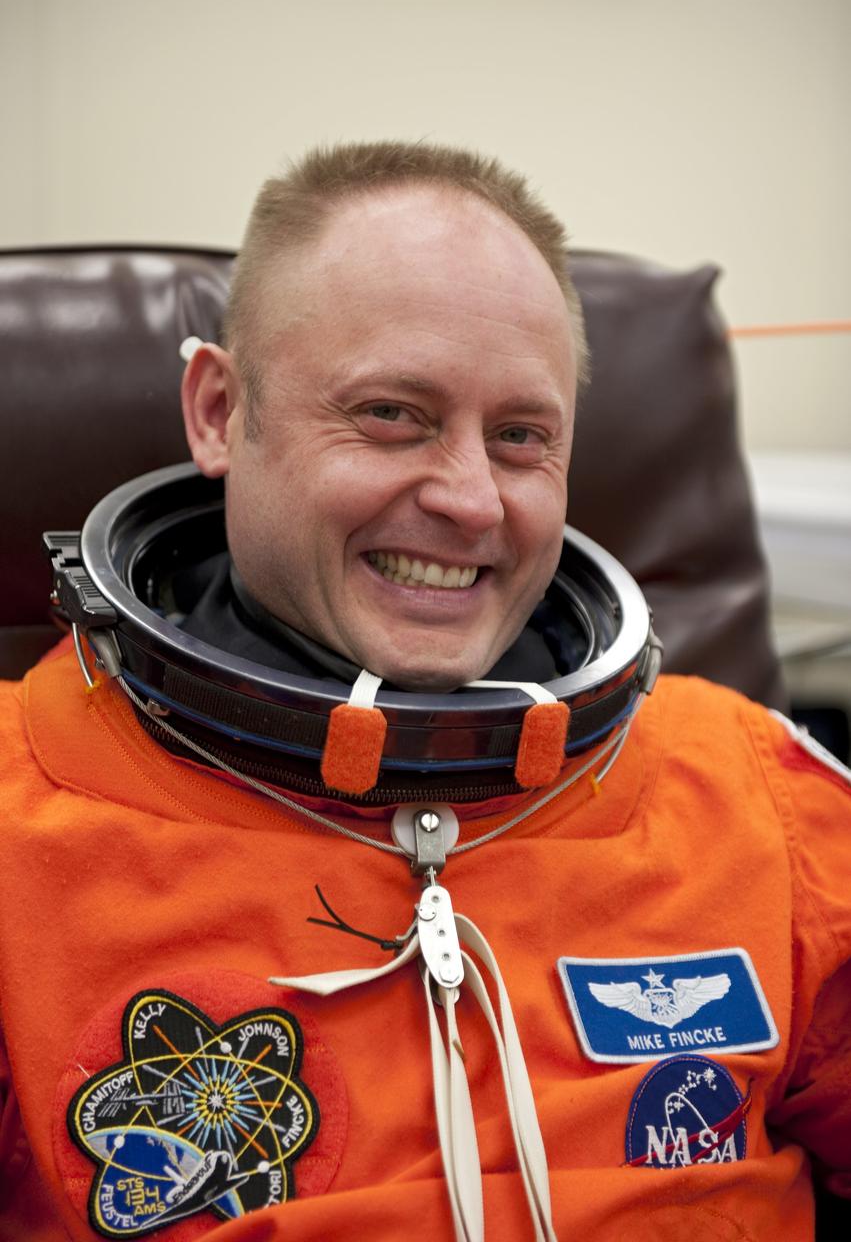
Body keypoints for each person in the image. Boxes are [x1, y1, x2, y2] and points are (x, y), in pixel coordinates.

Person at [1, 141, 849, 1242]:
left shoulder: (758, 800)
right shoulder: (24, 820)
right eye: (391, 413)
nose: (469, 500)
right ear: (217, 411)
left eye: (519, 437)